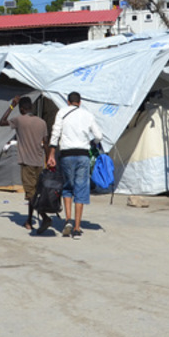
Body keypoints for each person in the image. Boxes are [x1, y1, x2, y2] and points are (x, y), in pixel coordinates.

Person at [47, 92, 102, 239]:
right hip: (83, 156)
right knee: (81, 189)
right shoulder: (87, 115)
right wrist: (92, 143)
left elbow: (55, 133)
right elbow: (99, 136)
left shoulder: (62, 113)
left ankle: (68, 220)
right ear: (80, 102)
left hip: (66, 155)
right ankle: (77, 228)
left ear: (68, 101)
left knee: (67, 188)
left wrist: (51, 154)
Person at [0, 96, 48, 231]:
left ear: (21, 109)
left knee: (30, 194)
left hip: (27, 163)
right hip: (39, 162)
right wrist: (49, 159)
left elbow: (1, 122)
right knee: (35, 193)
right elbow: (46, 143)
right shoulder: (41, 122)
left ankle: (44, 217)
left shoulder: (19, 120)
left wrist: (11, 106)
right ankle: (29, 220)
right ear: (31, 107)